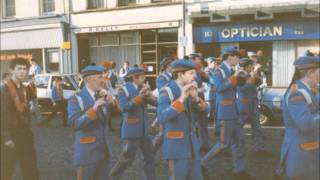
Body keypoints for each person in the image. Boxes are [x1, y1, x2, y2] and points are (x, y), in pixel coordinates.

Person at [201, 47, 255, 180]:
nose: (238, 59)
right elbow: (218, 88)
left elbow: (236, 87)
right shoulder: (219, 71)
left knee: (239, 142)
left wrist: (246, 80)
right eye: (237, 57)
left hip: (234, 111)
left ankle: (240, 170)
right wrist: (235, 78)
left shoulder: (231, 70)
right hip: (225, 112)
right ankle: (202, 163)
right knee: (224, 143)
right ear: (230, 57)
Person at [158, 59, 209, 180]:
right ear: (180, 74)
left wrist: (196, 99)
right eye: (191, 73)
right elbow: (162, 117)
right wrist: (181, 99)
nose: (195, 76)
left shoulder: (192, 88)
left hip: (192, 146)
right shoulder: (167, 90)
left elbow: (206, 111)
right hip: (176, 147)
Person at [68, 65, 116, 180]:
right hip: (87, 153)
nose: (103, 80)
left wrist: (112, 100)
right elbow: (75, 124)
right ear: (88, 80)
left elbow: (121, 111)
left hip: (103, 152)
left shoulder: (103, 95)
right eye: (100, 77)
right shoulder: (76, 98)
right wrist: (93, 109)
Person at [110, 67, 156, 180]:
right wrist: (140, 96)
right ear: (135, 78)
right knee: (127, 159)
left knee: (149, 158)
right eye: (142, 76)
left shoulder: (143, 88)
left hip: (144, 131)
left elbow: (157, 103)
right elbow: (124, 107)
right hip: (131, 131)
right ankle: (113, 177)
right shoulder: (123, 89)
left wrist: (149, 95)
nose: (145, 78)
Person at [278, 55, 319, 180]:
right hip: (302, 154)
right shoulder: (297, 93)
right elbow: (306, 123)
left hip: (308, 151)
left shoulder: (307, 89)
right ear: (309, 72)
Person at [1, 58, 39, 180]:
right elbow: (3, 115)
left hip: (25, 134)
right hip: (10, 136)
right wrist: (7, 138)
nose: (23, 72)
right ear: (12, 70)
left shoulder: (24, 88)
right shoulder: (4, 90)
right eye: (19, 69)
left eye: (25, 69)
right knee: (6, 170)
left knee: (30, 169)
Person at [236, 58, 271, 157]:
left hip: (253, 105)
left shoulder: (250, 74)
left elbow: (259, 83)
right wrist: (253, 76)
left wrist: (255, 75)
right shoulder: (239, 74)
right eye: (251, 65)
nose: (253, 66)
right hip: (244, 106)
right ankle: (233, 147)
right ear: (246, 66)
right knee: (238, 127)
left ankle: (259, 148)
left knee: (257, 128)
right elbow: (241, 88)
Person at [152, 56, 174, 154]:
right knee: (162, 134)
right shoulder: (161, 77)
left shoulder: (172, 76)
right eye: (172, 65)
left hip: (172, 106)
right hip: (165, 106)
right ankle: (150, 153)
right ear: (168, 66)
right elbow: (164, 90)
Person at [189, 53, 210, 154]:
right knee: (192, 124)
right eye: (198, 60)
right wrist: (199, 89)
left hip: (200, 100)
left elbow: (209, 80)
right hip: (192, 102)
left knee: (203, 123)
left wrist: (204, 74)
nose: (200, 62)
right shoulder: (188, 72)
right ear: (192, 60)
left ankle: (204, 145)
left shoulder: (199, 72)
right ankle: (193, 145)